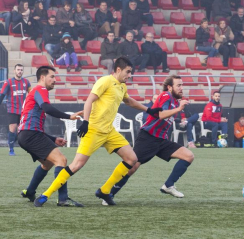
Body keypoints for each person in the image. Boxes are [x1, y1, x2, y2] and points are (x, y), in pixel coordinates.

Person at [33, 58, 162, 207]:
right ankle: (46, 195)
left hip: (109, 131)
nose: (130, 75)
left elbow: (129, 101)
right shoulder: (105, 81)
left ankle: (104, 191)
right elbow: (89, 101)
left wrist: (149, 110)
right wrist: (86, 122)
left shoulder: (121, 86)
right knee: (76, 165)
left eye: (131, 72)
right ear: (118, 70)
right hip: (93, 129)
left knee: (131, 159)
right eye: (128, 72)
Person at [104, 75, 195, 203]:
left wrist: (178, 107)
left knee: (188, 156)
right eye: (178, 85)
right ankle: (109, 194)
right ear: (169, 87)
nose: (181, 88)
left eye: (182, 85)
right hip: (148, 137)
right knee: (132, 167)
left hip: (161, 140)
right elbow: (160, 115)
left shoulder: (175, 101)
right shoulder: (165, 95)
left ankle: (168, 185)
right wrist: (179, 108)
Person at [17, 66, 83, 207]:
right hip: (31, 134)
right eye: (52, 77)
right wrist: (68, 117)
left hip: (25, 135)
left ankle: (30, 191)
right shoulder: (40, 90)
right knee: (61, 160)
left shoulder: (34, 92)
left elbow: (32, 122)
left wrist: (52, 139)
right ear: (42, 77)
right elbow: (47, 108)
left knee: (47, 163)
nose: (55, 80)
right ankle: (63, 199)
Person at [0, 64, 31, 156]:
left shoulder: (26, 82)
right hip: (12, 110)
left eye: (21, 70)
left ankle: (15, 142)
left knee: (23, 131)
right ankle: (11, 150)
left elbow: (31, 94)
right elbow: (2, 95)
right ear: (14, 71)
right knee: (12, 129)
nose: (19, 71)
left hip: (23, 111)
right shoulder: (8, 82)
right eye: (18, 69)